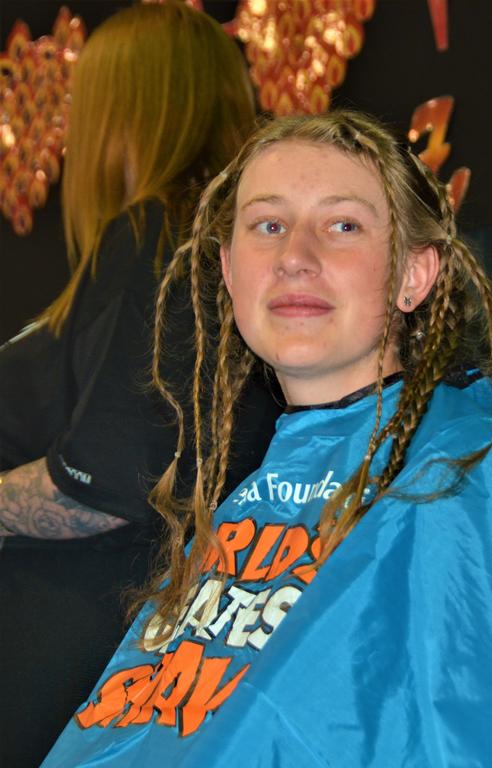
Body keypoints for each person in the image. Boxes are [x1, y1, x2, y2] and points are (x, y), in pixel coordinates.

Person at [43, 110, 492, 767]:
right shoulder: (250, 497)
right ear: (228, 273)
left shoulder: (486, 482)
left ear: (414, 274)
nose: (295, 257)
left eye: (342, 225)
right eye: (268, 225)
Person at [0, 4, 281, 766]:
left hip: (82, 651)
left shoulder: (158, 233)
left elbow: (105, 481)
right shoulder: (218, 242)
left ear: (124, 109)